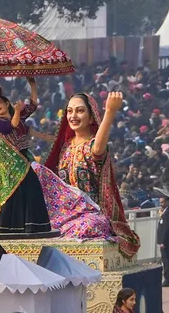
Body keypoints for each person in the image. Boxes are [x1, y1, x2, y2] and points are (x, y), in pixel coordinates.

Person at [44, 92, 141, 258]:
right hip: (65, 214)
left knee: (89, 226)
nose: (73, 116)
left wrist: (110, 112)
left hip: (92, 215)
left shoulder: (93, 146)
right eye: (70, 111)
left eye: (80, 111)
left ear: (90, 118)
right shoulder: (65, 148)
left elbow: (97, 149)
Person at [0, 83, 52, 234]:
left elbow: (32, 106)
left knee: (30, 190)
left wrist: (32, 85)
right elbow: (12, 125)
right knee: (24, 190)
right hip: (9, 167)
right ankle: (13, 226)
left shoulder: (18, 116)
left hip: (22, 160)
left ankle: (30, 226)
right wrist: (18, 111)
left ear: (7, 103)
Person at [156, 196, 169, 287]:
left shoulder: (168, 212)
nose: (161, 204)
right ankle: (168, 278)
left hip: (166, 241)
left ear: (168, 202)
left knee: (167, 260)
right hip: (164, 240)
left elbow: (166, 228)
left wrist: (163, 241)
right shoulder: (164, 212)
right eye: (160, 202)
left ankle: (168, 279)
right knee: (165, 260)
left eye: (163, 202)